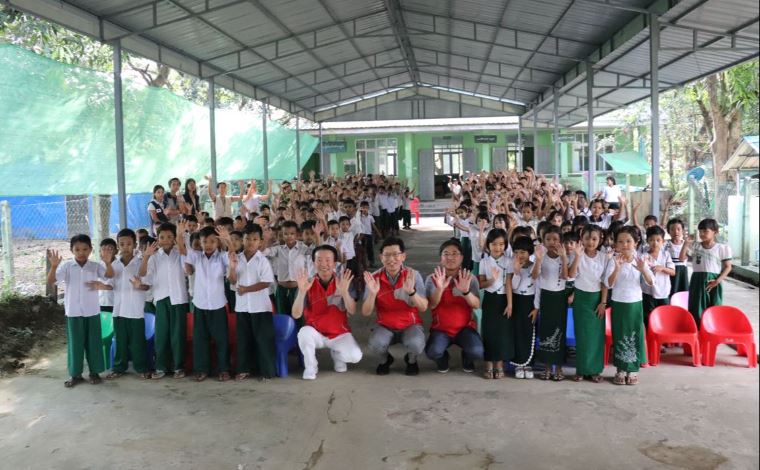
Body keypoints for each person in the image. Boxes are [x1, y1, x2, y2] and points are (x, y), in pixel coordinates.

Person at [46, 235, 109, 388]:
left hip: (92, 311)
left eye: (85, 249)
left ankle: (94, 372)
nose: (81, 252)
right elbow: (51, 281)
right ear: (71, 250)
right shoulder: (67, 266)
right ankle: (75, 374)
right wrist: (53, 266)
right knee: (75, 344)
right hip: (73, 312)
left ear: (91, 250)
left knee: (94, 343)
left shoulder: (95, 266)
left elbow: (109, 276)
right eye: (77, 249)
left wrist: (107, 262)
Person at [292, 246, 362, 380]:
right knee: (303, 333)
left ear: (335, 263)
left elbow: (352, 311)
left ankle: (337, 355)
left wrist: (344, 292)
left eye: (328, 260)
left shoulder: (343, 282)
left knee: (355, 356)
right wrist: (302, 292)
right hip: (316, 333)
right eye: (319, 260)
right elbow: (296, 314)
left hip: (339, 333)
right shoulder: (307, 283)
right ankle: (311, 367)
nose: (324, 264)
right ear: (314, 263)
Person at [362, 237, 428, 376]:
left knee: (416, 344)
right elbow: (366, 312)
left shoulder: (413, 275)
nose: (391, 259)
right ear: (381, 258)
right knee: (375, 344)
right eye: (387, 255)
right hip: (385, 325)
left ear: (403, 256)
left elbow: (423, 307)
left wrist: (412, 292)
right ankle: (385, 360)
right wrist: (372, 294)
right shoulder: (373, 278)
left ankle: (411, 360)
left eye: (396, 254)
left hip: (410, 324)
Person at [179, 224, 233, 382]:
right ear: (200, 243)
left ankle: (223, 369)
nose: (208, 245)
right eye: (205, 242)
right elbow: (183, 251)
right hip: (200, 304)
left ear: (218, 242)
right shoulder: (196, 256)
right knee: (200, 338)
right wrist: (179, 235)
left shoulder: (222, 257)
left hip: (218, 304)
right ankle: (201, 369)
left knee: (221, 339)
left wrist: (228, 240)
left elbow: (232, 256)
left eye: (212, 241)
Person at [139, 222, 189, 379]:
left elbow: (188, 269)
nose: (165, 240)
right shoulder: (154, 257)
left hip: (179, 299)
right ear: (157, 239)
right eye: (162, 237)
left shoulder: (180, 253)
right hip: (161, 299)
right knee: (161, 334)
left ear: (174, 238)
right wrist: (146, 256)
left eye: (169, 237)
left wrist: (180, 238)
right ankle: (161, 367)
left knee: (178, 335)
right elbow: (143, 274)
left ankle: (178, 367)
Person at [425, 239, 483, 373]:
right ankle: (443, 359)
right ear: (441, 258)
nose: (450, 257)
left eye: (455, 254)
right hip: (441, 329)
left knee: (477, 352)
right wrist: (440, 288)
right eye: (446, 254)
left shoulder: (469, 278)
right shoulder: (432, 279)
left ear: (461, 258)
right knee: (433, 352)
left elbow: (476, 305)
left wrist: (466, 292)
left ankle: (467, 358)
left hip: (465, 328)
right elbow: (432, 305)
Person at [228, 223, 276, 380]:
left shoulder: (262, 260)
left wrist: (246, 289)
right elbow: (232, 281)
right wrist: (232, 268)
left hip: (260, 307)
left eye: (255, 239)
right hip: (242, 307)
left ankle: (266, 371)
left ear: (260, 242)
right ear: (242, 240)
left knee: (263, 340)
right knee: (243, 340)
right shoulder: (237, 258)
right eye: (247, 239)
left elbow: (266, 282)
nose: (250, 242)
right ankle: (244, 369)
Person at [606, 226, 654, 386]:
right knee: (619, 334)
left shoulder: (640, 260)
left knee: (635, 334)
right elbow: (608, 283)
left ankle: (632, 370)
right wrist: (617, 269)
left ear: (636, 243)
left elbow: (651, 282)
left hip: (635, 303)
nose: (624, 245)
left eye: (628, 241)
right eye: (620, 241)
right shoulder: (613, 260)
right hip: (618, 303)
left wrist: (643, 270)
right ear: (615, 244)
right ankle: (620, 369)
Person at [106, 228, 150, 380]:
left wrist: (139, 285)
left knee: (138, 342)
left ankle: (142, 367)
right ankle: (119, 367)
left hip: (136, 310)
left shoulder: (140, 263)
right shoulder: (114, 264)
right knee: (120, 341)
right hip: (119, 310)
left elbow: (147, 285)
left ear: (135, 245)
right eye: (122, 244)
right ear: (118, 246)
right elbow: (110, 284)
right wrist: (101, 286)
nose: (125, 247)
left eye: (129, 244)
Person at [567, 226, 608, 383]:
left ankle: (595, 370)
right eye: (587, 238)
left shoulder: (604, 257)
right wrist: (578, 256)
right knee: (582, 335)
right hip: (581, 299)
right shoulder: (576, 254)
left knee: (596, 337)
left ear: (600, 240)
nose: (590, 242)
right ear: (581, 239)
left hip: (597, 299)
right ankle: (581, 370)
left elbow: (605, 282)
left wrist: (603, 302)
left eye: (594, 239)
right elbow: (571, 275)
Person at [680, 218, 733, 327]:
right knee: (696, 306)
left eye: (705, 231)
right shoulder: (695, 246)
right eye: (700, 231)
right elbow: (681, 258)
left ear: (715, 232)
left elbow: (728, 267)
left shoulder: (721, 248)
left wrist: (717, 281)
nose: (702, 234)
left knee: (714, 307)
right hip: (697, 280)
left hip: (713, 281)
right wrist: (686, 244)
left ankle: (712, 330)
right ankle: (698, 330)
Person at [534, 225, 569, 381]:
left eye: (555, 239)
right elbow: (535, 276)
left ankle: (559, 367)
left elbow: (565, 276)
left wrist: (564, 258)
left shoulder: (564, 256)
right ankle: (547, 367)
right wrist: (538, 260)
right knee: (546, 331)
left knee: (559, 331)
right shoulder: (540, 256)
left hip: (559, 298)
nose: (552, 242)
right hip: (546, 297)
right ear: (543, 241)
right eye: (548, 239)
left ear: (560, 241)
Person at [478, 228, 512, 379]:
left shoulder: (509, 261)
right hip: (490, 299)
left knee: (502, 333)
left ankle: (499, 363)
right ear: (488, 245)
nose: (498, 247)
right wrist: (491, 280)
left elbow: (509, 284)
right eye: (494, 244)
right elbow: (481, 284)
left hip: (504, 299)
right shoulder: (484, 262)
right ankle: (488, 363)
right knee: (489, 332)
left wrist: (510, 304)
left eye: (501, 244)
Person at [263, 220, 311, 322]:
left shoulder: (303, 248)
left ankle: (300, 332)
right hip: (281, 289)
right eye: (286, 234)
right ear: (282, 235)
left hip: (297, 289)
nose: (289, 236)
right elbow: (263, 252)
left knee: (299, 316)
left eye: (292, 234)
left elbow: (316, 253)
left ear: (297, 235)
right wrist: (266, 239)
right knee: (282, 317)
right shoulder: (278, 249)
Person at [508, 236, 539, 379]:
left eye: (523, 252)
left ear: (529, 252)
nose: (519, 255)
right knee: (517, 332)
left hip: (530, 303)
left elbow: (538, 288)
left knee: (529, 333)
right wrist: (517, 272)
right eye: (516, 252)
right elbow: (513, 286)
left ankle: (528, 364)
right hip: (517, 301)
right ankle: (518, 364)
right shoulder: (513, 265)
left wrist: (536, 308)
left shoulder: (535, 266)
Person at [641, 225, 675, 326]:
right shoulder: (644, 256)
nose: (655, 243)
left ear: (663, 241)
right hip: (648, 292)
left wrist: (663, 268)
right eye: (651, 240)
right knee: (649, 317)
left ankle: (663, 334)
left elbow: (673, 272)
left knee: (664, 316)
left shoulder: (666, 255)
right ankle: (650, 333)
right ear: (647, 241)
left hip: (663, 291)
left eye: (658, 240)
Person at [665, 218, 689, 296]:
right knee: (671, 292)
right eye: (672, 229)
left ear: (683, 230)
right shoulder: (665, 244)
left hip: (682, 273)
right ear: (668, 231)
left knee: (683, 294)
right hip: (670, 272)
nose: (676, 232)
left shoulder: (686, 244)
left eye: (678, 229)